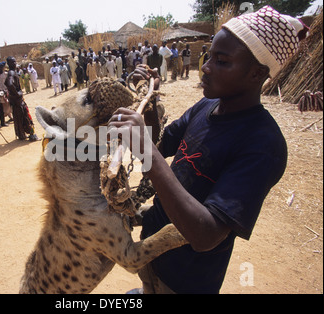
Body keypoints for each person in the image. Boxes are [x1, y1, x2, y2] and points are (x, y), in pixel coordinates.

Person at [109, 6, 307, 294]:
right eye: (209, 56)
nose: (206, 67)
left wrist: (146, 150)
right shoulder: (207, 106)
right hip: (152, 255)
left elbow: (205, 234)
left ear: (256, 73)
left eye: (221, 61)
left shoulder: (264, 144)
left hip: (186, 279)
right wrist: (148, 101)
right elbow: (161, 144)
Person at [5, 57, 40, 142]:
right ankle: (32, 135)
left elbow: (6, 83)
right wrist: (17, 93)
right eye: (13, 62)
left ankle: (21, 135)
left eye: (14, 61)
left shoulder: (11, 73)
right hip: (18, 101)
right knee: (26, 116)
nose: (15, 63)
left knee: (18, 117)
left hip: (15, 101)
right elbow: (9, 83)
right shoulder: (11, 73)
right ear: (9, 64)